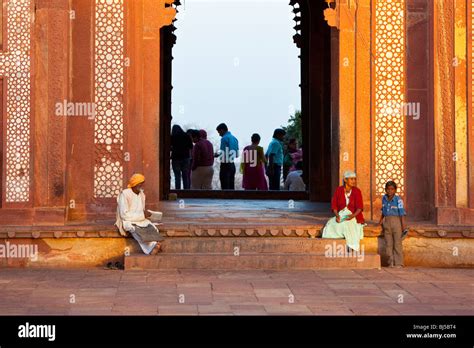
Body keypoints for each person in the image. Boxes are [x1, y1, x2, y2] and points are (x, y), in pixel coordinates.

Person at [115, 174, 164, 255]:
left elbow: (141, 210)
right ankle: (152, 248)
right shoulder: (125, 194)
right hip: (128, 220)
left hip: (141, 220)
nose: (141, 185)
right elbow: (124, 215)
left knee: (153, 228)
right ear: (134, 184)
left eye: (142, 183)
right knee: (136, 230)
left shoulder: (141, 194)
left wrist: (148, 215)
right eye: (139, 183)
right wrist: (142, 215)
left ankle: (154, 245)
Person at [322, 170, 365, 251]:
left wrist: (352, 216)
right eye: (351, 179)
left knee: (350, 225)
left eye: (354, 179)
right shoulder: (339, 190)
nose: (354, 181)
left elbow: (360, 207)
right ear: (345, 180)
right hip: (341, 215)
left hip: (354, 215)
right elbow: (334, 206)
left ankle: (352, 246)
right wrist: (337, 216)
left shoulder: (357, 191)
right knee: (331, 225)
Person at [378, 181, 407, 268]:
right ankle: (390, 262)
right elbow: (383, 211)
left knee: (397, 244)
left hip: (396, 222)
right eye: (388, 189)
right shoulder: (384, 198)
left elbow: (402, 214)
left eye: (392, 189)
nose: (390, 191)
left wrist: (403, 227)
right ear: (385, 190)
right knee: (388, 244)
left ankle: (399, 263)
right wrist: (380, 222)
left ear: (395, 190)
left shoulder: (398, 200)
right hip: (387, 221)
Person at [216, 123, 239, 190]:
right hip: (232, 164)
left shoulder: (224, 138)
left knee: (224, 186)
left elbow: (223, 152)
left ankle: (224, 200)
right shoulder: (235, 138)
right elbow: (236, 154)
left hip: (225, 164)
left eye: (219, 132)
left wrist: (216, 154)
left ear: (222, 130)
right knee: (231, 185)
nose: (219, 134)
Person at [171, 125, 193, 189]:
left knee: (177, 176)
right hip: (186, 158)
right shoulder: (186, 136)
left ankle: (178, 191)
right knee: (185, 176)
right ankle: (186, 191)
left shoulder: (172, 137)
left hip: (176, 158)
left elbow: (169, 147)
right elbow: (191, 146)